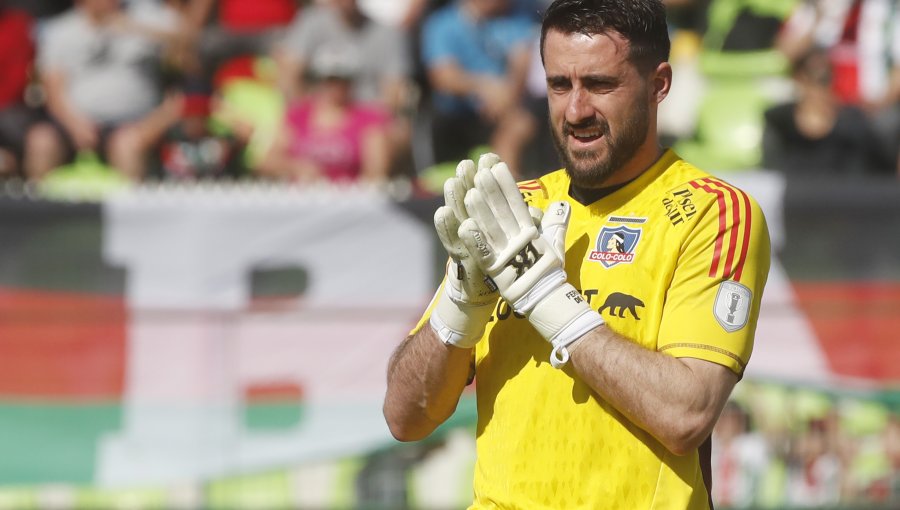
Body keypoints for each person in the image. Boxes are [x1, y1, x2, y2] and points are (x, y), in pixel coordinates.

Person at [383, 1, 772, 508]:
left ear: (659, 84)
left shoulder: (714, 213)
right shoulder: (513, 211)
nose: (576, 110)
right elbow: (403, 417)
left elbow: (687, 416)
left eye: (601, 84)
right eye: (559, 85)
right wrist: (461, 304)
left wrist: (545, 295)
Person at [23, 0, 181, 181]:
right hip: (74, 123)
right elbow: (52, 89)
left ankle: (129, 209)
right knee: (41, 141)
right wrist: (75, 125)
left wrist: (133, 26)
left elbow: (189, 40)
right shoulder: (59, 30)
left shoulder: (145, 15)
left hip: (133, 123)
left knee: (127, 145)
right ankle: (37, 209)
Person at [419, 0, 538, 177]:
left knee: (519, 125)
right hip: (456, 117)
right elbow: (442, 76)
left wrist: (507, 95)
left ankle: (509, 186)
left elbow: (523, 59)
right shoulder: (442, 24)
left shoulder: (520, 16)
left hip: (507, 107)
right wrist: (485, 87)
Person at [256, 46, 392, 184]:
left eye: (341, 79)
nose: (334, 86)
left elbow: (376, 171)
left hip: (350, 198)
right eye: (329, 80)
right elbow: (267, 161)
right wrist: (296, 167)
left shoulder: (368, 119)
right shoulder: (297, 115)